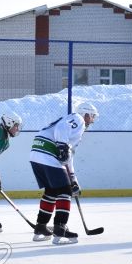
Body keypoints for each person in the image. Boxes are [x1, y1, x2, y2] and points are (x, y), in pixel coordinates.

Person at [29, 103, 98, 244]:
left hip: (37, 154)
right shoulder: (78, 119)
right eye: (92, 116)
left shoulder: (74, 133)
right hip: (48, 154)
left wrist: (73, 178)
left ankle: (40, 227)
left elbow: (68, 156)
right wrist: (61, 146)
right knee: (65, 192)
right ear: (86, 114)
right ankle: (60, 229)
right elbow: (62, 129)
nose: (92, 120)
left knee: (51, 191)